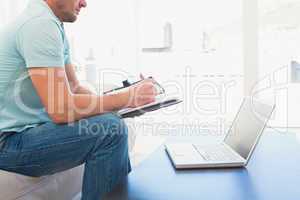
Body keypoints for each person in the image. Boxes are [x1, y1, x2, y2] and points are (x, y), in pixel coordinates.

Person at [0, 0, 157, 199]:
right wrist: (126, 98)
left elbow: (75, 88)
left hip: (24, 133)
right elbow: (61, 109)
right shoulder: (39, 25)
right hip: (7, 143)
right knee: (110, 130)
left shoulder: (51, 23)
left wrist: (127, 99)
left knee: (112, 120)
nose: (84, 3)